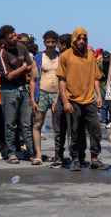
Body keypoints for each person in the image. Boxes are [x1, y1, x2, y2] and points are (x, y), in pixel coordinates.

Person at [56, 27, 104, 171]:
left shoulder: (90, 56)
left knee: (96, 130)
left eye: (84, 39)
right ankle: (75, 158)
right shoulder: (66, 56)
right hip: (73, 99)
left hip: (89, 100)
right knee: (75, 131)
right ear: (74, 39)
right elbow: (61, 80)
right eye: (79, 38)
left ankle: (94, 158)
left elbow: (96, 78)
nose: (81, 41)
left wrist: (99, 96)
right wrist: (65, 101)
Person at [0, 26, 37, 165]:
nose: (15, 38)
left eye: (14, 36)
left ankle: (32, 152)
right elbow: (9, 76)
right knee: (10, 124)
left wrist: (19, 70)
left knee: (27, 124)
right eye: (11, 37)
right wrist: (22, 68)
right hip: (9, 91)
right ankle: (11, 153)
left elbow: (31, 65)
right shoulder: (2, 54)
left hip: (23, 89)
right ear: (3, 40)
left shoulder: (21, 48)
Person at [30, 31, 60, 163]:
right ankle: (38, 154)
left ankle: (57, 154)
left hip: (57, 94)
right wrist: (32, 99)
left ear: (57, 43)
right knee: (38, 124)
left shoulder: (61, 57)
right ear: (44, 43)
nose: (50, 45)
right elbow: (32, 79)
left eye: (53, 42)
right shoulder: (38, 58)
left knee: (57, 126)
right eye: (48, 42)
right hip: (42, 93)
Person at [49, 33, 72, 168]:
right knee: (70, 130)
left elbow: (62, 80)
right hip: (66, 97)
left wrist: (58, 97)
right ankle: (76, 157)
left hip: (66, 98)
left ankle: (59, 156)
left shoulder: (64, 57)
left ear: (63, 45)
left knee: (60, 129)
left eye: (57, 44)